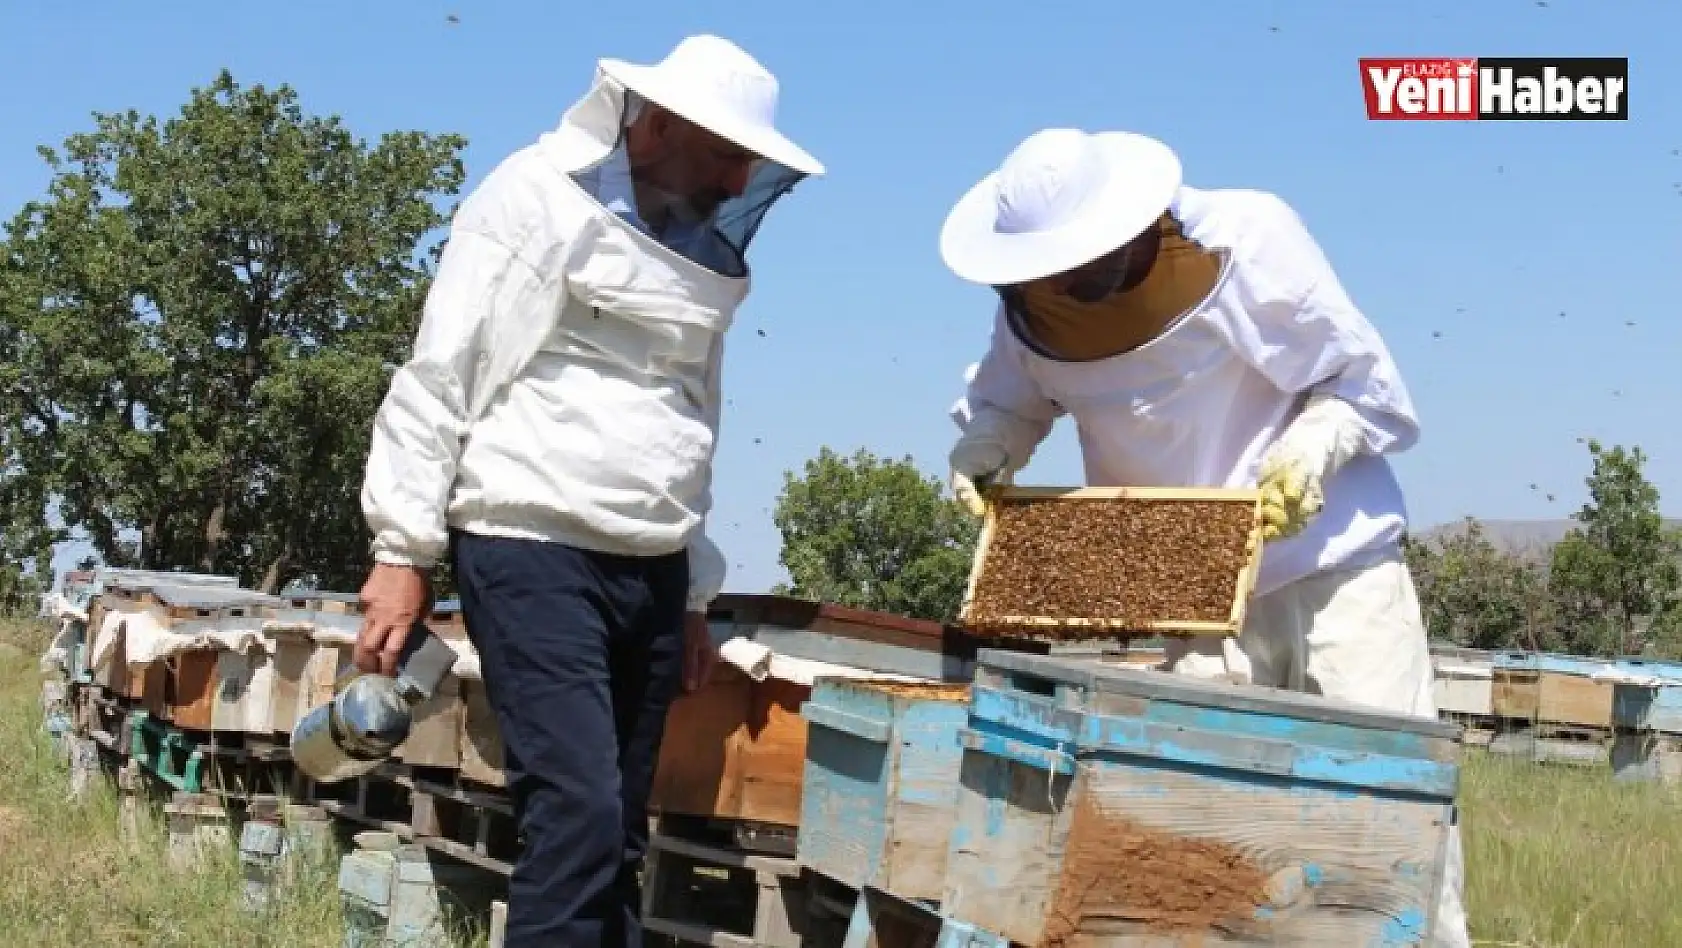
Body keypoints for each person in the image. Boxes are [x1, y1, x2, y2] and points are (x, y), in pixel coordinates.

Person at [938, 128, 1470, 947]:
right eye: (1052, 276)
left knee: (1393, 829)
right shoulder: (1032, 308)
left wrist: (1312, 448)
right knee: (1220, 856)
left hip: (1334, 581)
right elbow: (1011, 400)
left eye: (1083, 270)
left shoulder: (1248, 238)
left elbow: (1368, 387)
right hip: (1195, 606)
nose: (1072, 289)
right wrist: (987, 449)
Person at [351, 35, 824, 946]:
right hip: (530, 547)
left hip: (648, 570)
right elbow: (439, 373)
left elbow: (690, 420)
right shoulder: (529, 199)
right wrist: (402, 549)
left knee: (616, 836)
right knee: (574, 814)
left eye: (748, 165)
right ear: (653, 129)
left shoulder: (699, 258)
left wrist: (691, 594)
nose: (737, 185)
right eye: (728, 156)